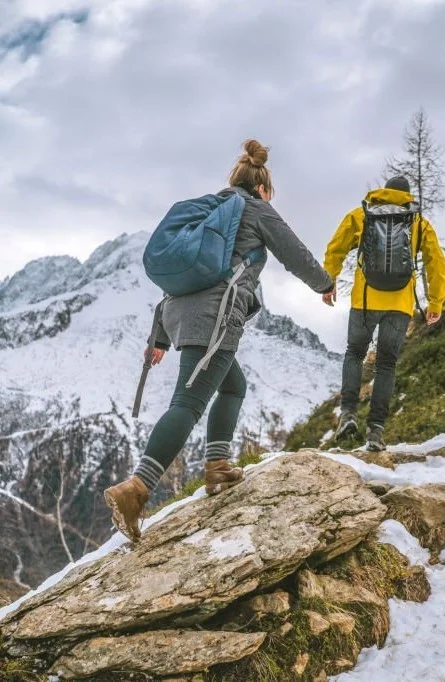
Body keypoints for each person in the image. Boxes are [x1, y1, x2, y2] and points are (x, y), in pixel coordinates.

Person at [104, 140, 334, 542]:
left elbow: (182, 278)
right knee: (188, 403)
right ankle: (137, 489)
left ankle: (217, 467)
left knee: (233, 385)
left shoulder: (207, 211)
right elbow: (293, 252)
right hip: (216, 317)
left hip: (180, 314)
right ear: (262, 188)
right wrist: (324, 283)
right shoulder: (255, 209)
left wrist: (158, 336)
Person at [322, 175, 445, 451]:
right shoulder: (418, 222)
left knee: (355, 354)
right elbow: (436, 262)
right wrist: (436, 302)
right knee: (387, 364)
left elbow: (336, 249)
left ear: (384, 192)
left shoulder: (362, 214)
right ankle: (376, 431)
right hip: (400, 304)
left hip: (365, 300)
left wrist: (328, 281)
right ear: (407, 196)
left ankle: (348, 414)